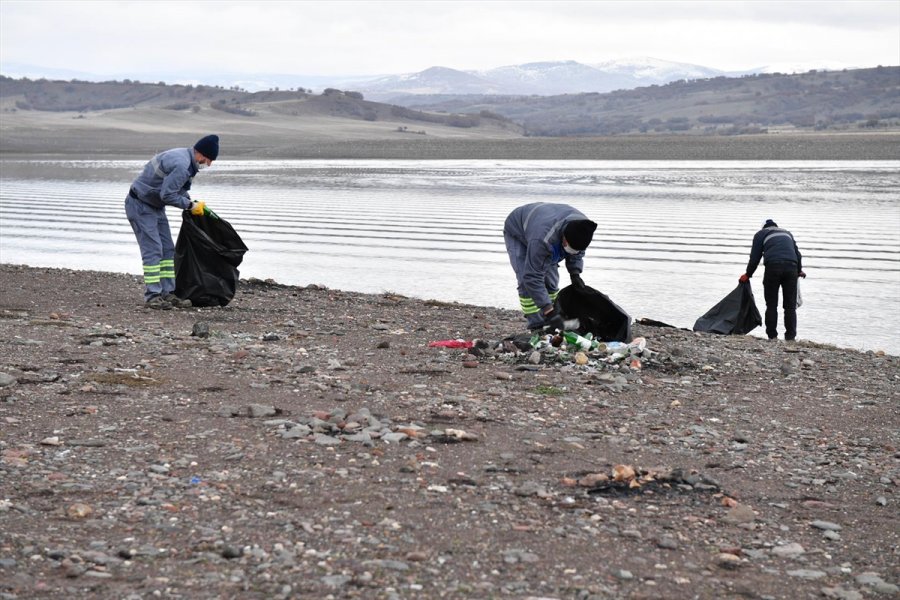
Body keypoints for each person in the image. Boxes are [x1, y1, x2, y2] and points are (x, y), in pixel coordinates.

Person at [125, 135, 219, 309]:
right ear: (200, 153)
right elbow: (167, 195)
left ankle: (167, 293)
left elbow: (176, 188)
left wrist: (190, 201)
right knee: (153, 249)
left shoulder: (186, 160)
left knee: (168, 249)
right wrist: (190, 206)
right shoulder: (182, 165)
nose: (208, 164)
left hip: (155, 206)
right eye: (208, 160)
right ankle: (153, 296)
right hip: (140, 206)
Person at [503, 202, 597, 331]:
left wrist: (575, 273)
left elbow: (577, 253)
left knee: (551, 281)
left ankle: (553, 320)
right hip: (518, 231)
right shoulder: (543, 240)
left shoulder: (583, 229)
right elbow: (532, 277)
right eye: (570, 247)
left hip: (544, 225)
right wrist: (548, 310)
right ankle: (537, 325)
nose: (572, 251)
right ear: (564, 237)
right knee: (526, 280)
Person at [740, 219, 806, 340]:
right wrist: (799, 270)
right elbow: (798, 255)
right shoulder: (787, 233)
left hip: (773, 268)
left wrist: (748, 274)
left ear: (763, 227)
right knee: (790, 306)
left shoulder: (761, 234)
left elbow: (755, 258)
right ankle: (790, 337)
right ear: (776, 226)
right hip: (791, 268)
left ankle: (772, 336)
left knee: (771, 304)